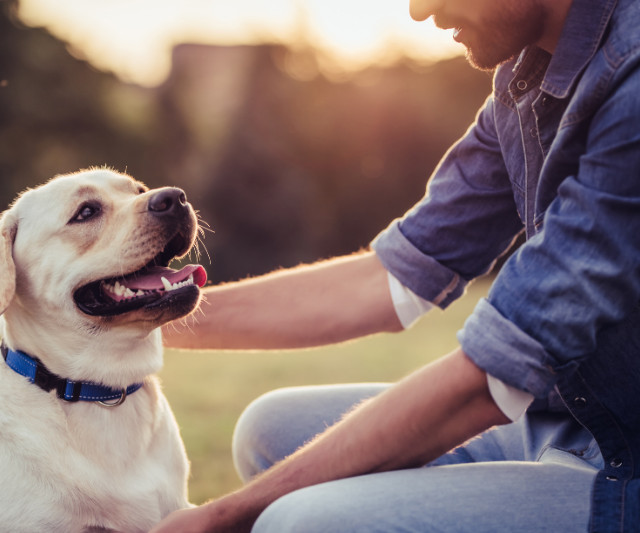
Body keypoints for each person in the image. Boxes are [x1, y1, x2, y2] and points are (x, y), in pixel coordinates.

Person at [151, 0, 640, 530]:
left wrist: (224, 515)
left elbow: (495, 373)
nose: (419, 10)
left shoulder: (632, 73)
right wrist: (142, 318)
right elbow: (393, 276)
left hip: (627, 461)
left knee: (300, 521)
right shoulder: (525, 78)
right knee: (268, 429)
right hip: (564, 422)